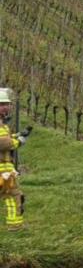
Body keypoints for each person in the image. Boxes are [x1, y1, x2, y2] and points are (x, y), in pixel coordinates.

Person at [0, 89, 29, 232]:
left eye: (7, 104)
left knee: (12, 195)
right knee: (13, 195)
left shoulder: (3, 125)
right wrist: (18, 142)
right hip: (2, 171)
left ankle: (14, 225)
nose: (6, 107)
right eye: (2, 105)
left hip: (5, 170)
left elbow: (5, 138)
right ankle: (14, 226)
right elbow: (3, 143)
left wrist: (17, 135)